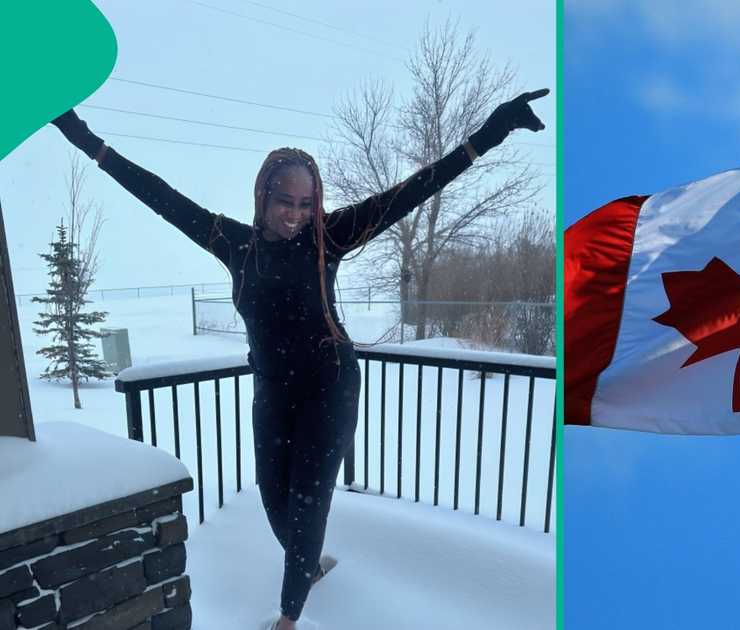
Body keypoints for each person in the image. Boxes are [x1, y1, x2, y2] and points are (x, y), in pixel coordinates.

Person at [50, 88, 548, 630]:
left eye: (306, 204)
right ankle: (307, 564)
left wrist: (490, 134)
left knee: (309, 503)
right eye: (284, 201)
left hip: (330, 384)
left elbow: (413, 191)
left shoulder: (328, 238)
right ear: (263, 197)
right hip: (272, 386)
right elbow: (156, 193)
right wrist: (84, 139)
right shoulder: (232, 243)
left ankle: (290, 615)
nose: (295, 214)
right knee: (273, 498)